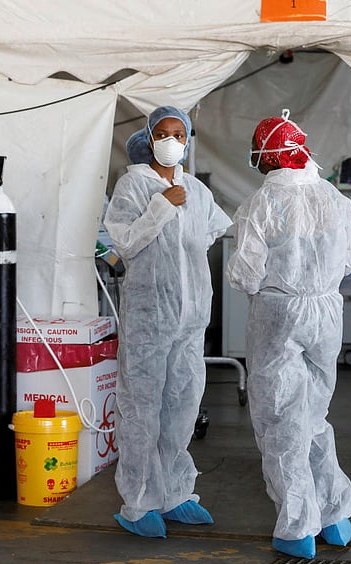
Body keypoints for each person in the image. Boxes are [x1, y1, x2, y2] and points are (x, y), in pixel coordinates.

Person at [226, 109, 351, 559]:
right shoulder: (335, 199)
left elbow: (244, 274)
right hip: (326, 311)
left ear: (268, 156)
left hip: (279, 313)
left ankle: (297, 526)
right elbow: (348, 264)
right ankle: (336, 515)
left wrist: (274, 287)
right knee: (315, 414)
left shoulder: (261, 204)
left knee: (282, 419)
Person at [104, 106, 232, 538]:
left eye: (180, 134)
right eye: (164, 133)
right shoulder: (133, 185)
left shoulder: (197, 190)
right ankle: (139, 502)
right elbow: (123, 243)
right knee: (142, 407)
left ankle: (176, 492)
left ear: (189, 139)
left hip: (192, 317)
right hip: (149, 317)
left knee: (182, 405)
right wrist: (160, 207)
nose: (173, 141)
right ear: (149, 137)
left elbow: (209, 235)